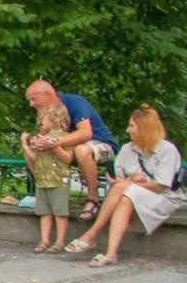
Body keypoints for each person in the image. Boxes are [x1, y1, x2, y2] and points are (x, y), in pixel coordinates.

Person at [65, 105, 184, 266]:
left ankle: (91, 235)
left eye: (132, 126)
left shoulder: (167, 150)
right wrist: (130, 181)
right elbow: (118, 179)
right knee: (125, 199)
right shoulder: (127, 149)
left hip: (164, 198)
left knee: (124, 189)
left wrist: (129, 183)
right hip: (132, 196)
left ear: (145, 128)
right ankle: (111, 254)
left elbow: (160, 186)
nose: (128, 130)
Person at [25, 81, 118, 223]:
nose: (31, 104)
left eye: (33, 99)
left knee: (82, 150)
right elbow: (46, 134)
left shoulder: (75, 102)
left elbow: (86, 133)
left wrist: (52, 143)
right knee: (31, 152)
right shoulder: (45, 110)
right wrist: (35, 142)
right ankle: (45, 193)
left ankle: (93, 200)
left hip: (100, 145)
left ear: (48, 94)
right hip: (68, 148)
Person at [21, 101, 74, 253]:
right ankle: (44, 240)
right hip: (42, 181)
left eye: (42, 118)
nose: (39, 122)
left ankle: (60, 241)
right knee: (44, 212)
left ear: (55, 118)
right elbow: (35, 159)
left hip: (58, 181)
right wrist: (26, 146)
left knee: (60, 213)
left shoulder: (66, 137)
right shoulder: (40, 138)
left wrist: (54, 146)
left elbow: (68, 159)